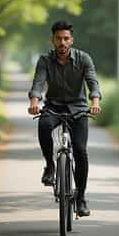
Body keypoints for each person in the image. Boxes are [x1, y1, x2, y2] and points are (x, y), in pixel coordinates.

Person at [28, 20, 102, 217]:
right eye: (58, 39)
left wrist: (95, 102)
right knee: (43, 125)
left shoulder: (83, 58)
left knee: (80, 151)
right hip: (53, 107)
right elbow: (38, 82)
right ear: (52, 40)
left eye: (66, 38)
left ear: (71, 40)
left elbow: (93, 82)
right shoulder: (45, 60)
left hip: (78, 110)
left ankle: (81, 198)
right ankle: (50, 166)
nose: (62, 42)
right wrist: (34, 101)